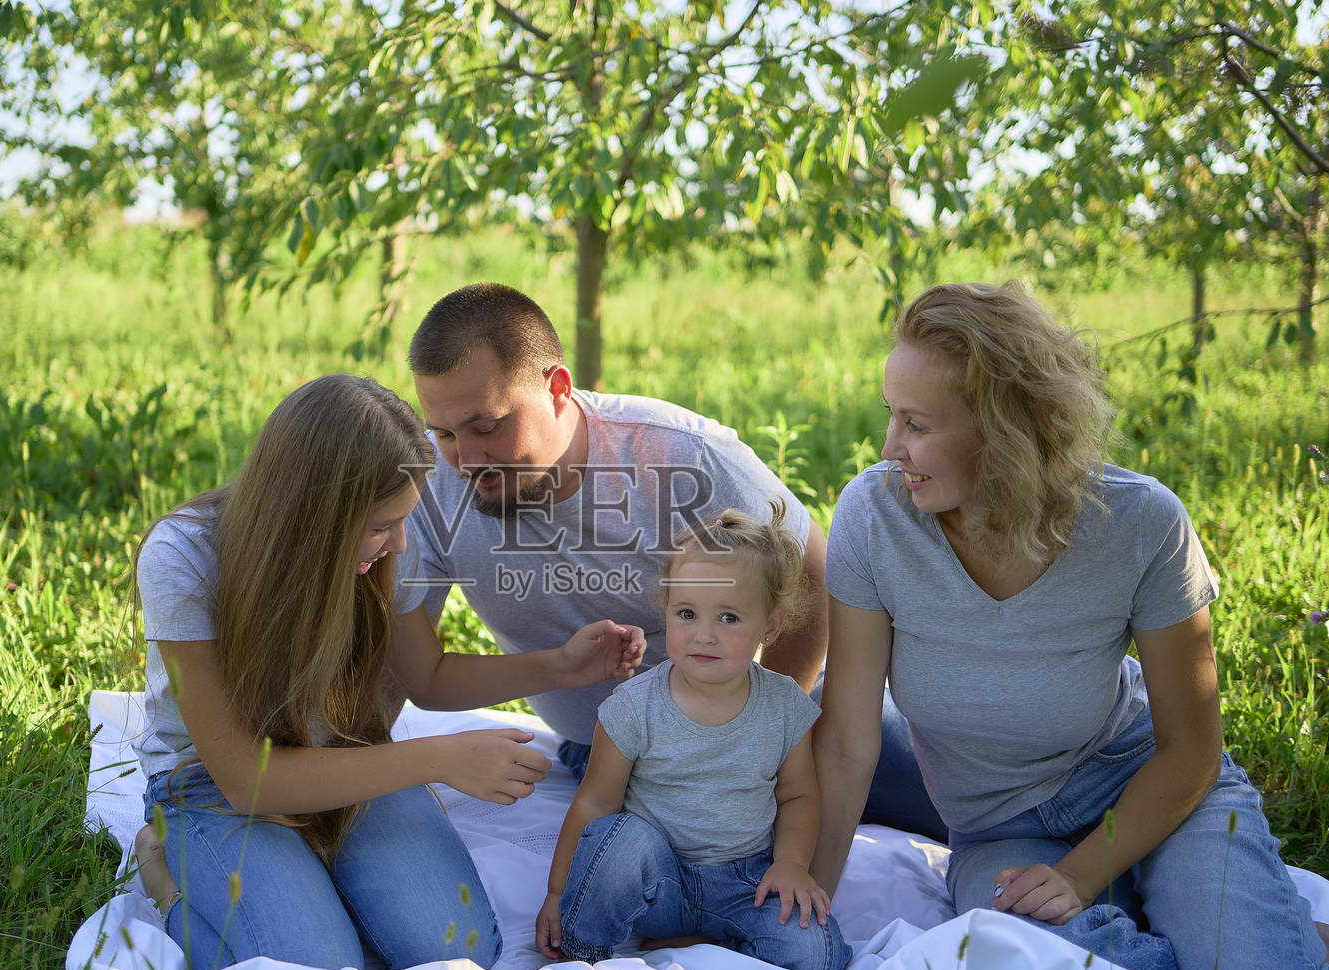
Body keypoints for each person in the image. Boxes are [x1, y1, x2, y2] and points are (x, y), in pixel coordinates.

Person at [812, 280, 1329, 970]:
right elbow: (848, 744)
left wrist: (1078, 876)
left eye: (914, 425)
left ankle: (1287, 951)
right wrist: (811, 910)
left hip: (1150, 790)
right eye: (892, 415)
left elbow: (1192, 749)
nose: (890, 448)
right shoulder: (874, 518)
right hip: (1001, 830)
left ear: (1003, 430)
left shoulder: (1142, 523)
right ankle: (1224, 937)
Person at [129, 374, 645, 970]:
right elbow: (244, 780)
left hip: (345, 758)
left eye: (403, 520)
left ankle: (313, 866)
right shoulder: (185, 556)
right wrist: (441, 759)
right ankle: (163, 878)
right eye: (380, 525)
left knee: (456, 949)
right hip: (214, 786)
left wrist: (558, 666)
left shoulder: (385, 547)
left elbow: (427, 677)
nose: (400, 541)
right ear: (311, 515)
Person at [406, 282, 948, 841]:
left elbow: (812, 569)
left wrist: (759, 732)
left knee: (955, 800)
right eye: (444, 432)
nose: (466, 459)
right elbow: (423, 677)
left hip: (769, 703)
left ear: (558, 389)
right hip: (616, 751)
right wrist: (557, 667)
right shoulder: (425, 488)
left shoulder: (676, 453)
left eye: (487, 427)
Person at [535, 505, 849, 970]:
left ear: (769, 626)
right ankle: (584, 950)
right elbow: (594, 803)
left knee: (816, 955)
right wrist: (558, 894)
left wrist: (789, 864)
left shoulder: (784, 705)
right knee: (620, 839)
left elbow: (798, 796)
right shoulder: (634, 706)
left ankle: (709, 937)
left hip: (744, 882)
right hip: (656, 882)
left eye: (728, 617)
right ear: (666, 609)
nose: (704, 635)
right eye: (686, 614)